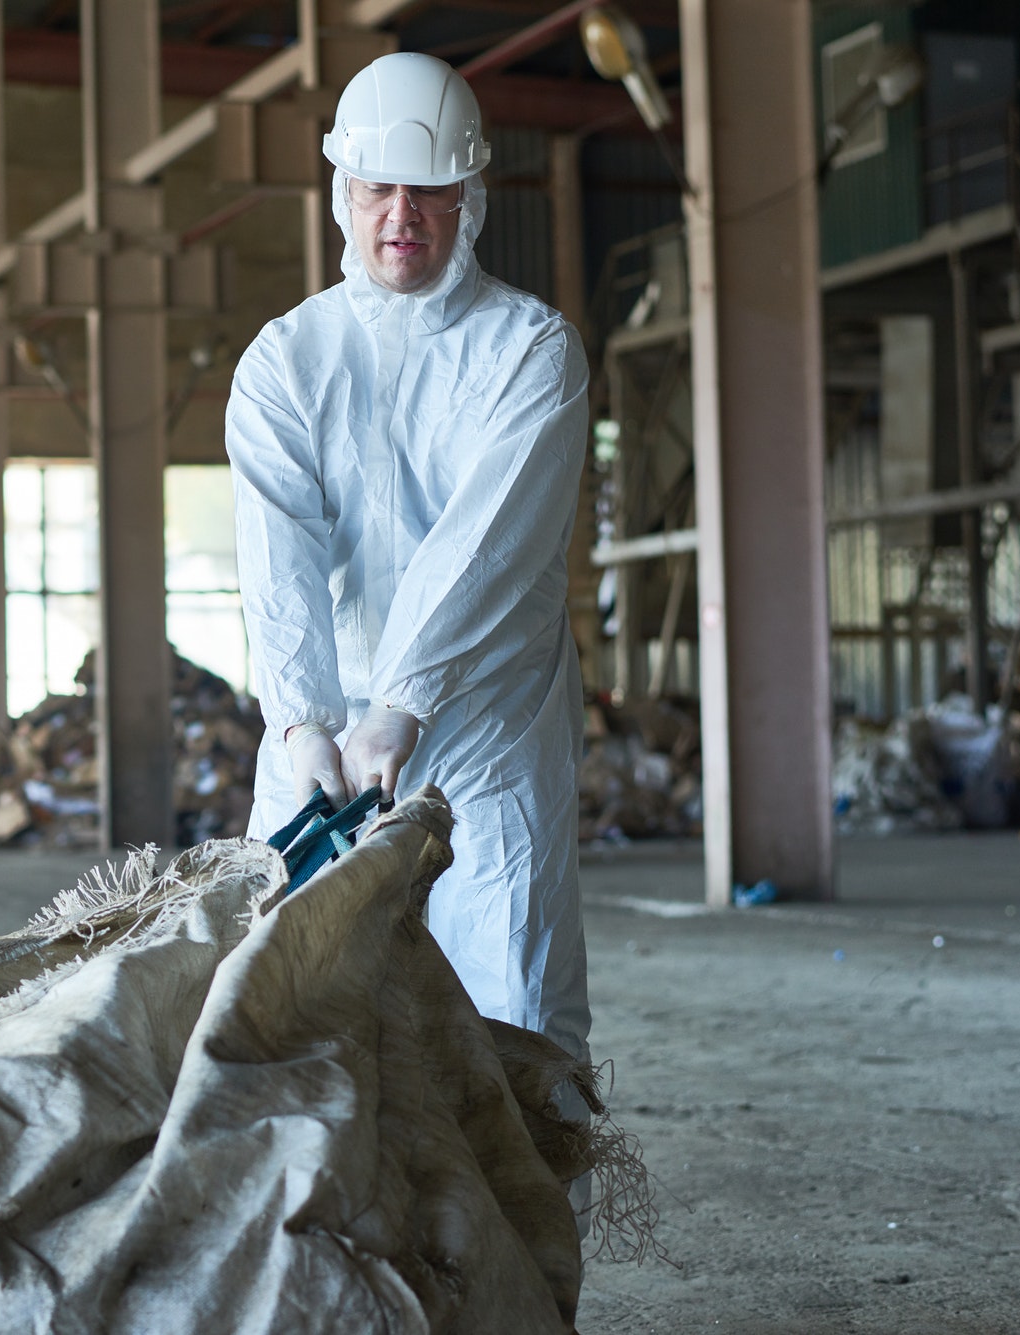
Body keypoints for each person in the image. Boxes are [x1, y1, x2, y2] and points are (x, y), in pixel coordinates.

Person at [226, 51, 592, 1089]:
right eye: (379, 189)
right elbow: (277, 558)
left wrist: (405, 699)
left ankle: (517, 1246)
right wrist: (301, 720)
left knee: (506, 998)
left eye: (428, 191)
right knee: (288, 1008)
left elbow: (487, 546)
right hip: (326, 745)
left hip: (487, 729)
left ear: (469, 200)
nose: (402, 215)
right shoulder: (284, 361)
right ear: (343, 194)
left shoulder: (528, 353)